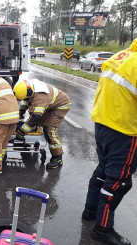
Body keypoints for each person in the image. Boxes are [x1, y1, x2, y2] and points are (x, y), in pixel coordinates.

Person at [81, 39, 137, 245]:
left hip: (102, 125)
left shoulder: (119, 56)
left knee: (103, 171)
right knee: (118, 182)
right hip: (124, 131)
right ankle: (102, 229)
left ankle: (90, 211)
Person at [13, 79, 71, 169]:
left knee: (49, 129)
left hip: (61, 105)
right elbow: (26, 100)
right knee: (37, 125)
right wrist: (21, 111)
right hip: (49, 103)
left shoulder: (41, 97)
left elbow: (35, 118)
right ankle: (34, 141)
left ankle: (57, 157)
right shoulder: (28, 87)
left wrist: (21, 133)